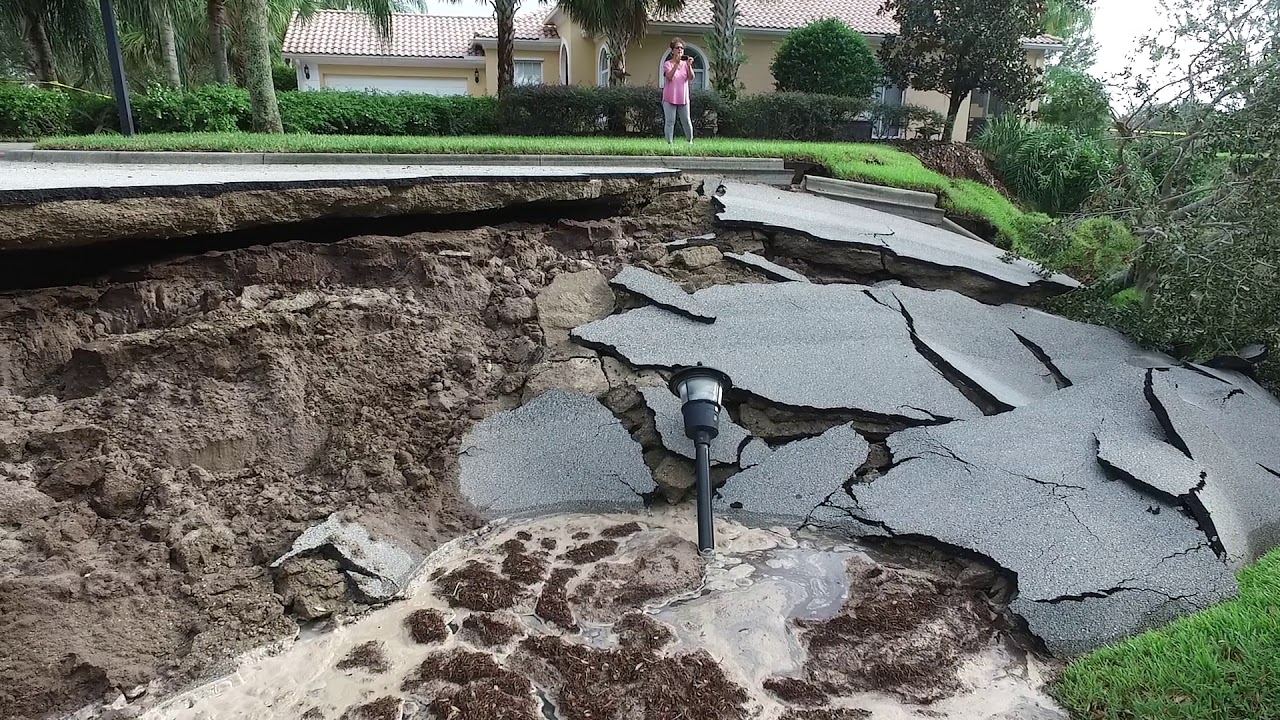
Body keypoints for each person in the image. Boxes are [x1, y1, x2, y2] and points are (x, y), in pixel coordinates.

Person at [662, 38, 695, 145]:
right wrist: (676, 64)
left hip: (683, 97)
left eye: (682, 48)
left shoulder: (686, 65)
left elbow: (691, 77)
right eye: (677, 48)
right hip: (669, 97)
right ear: (673, 51)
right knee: (670, 122)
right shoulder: (668, 64)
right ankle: (669, 143)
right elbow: (669, 76)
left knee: (686, 120)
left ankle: (689, 141)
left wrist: (689, 66)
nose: (680, 50)